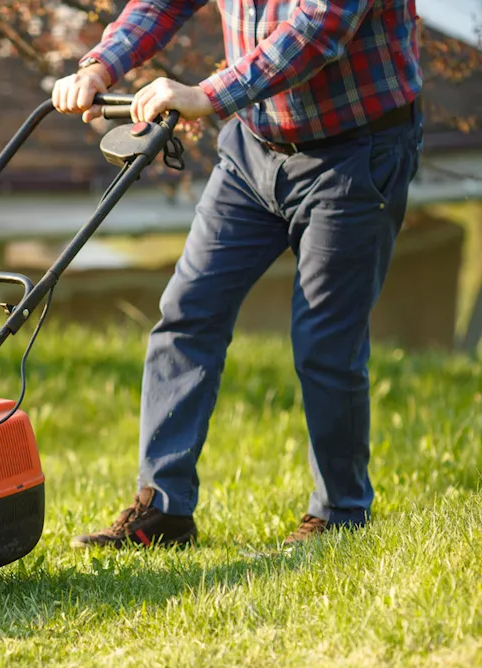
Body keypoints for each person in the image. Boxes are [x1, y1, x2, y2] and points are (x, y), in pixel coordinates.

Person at [53, 0, 423, 550]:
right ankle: (165, 511)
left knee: (326, 340)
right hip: (252, 153)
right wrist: (102, 64)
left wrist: (206, 95)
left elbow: (317, 30)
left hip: (355, 154)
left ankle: (341, 514)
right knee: (188, 312)